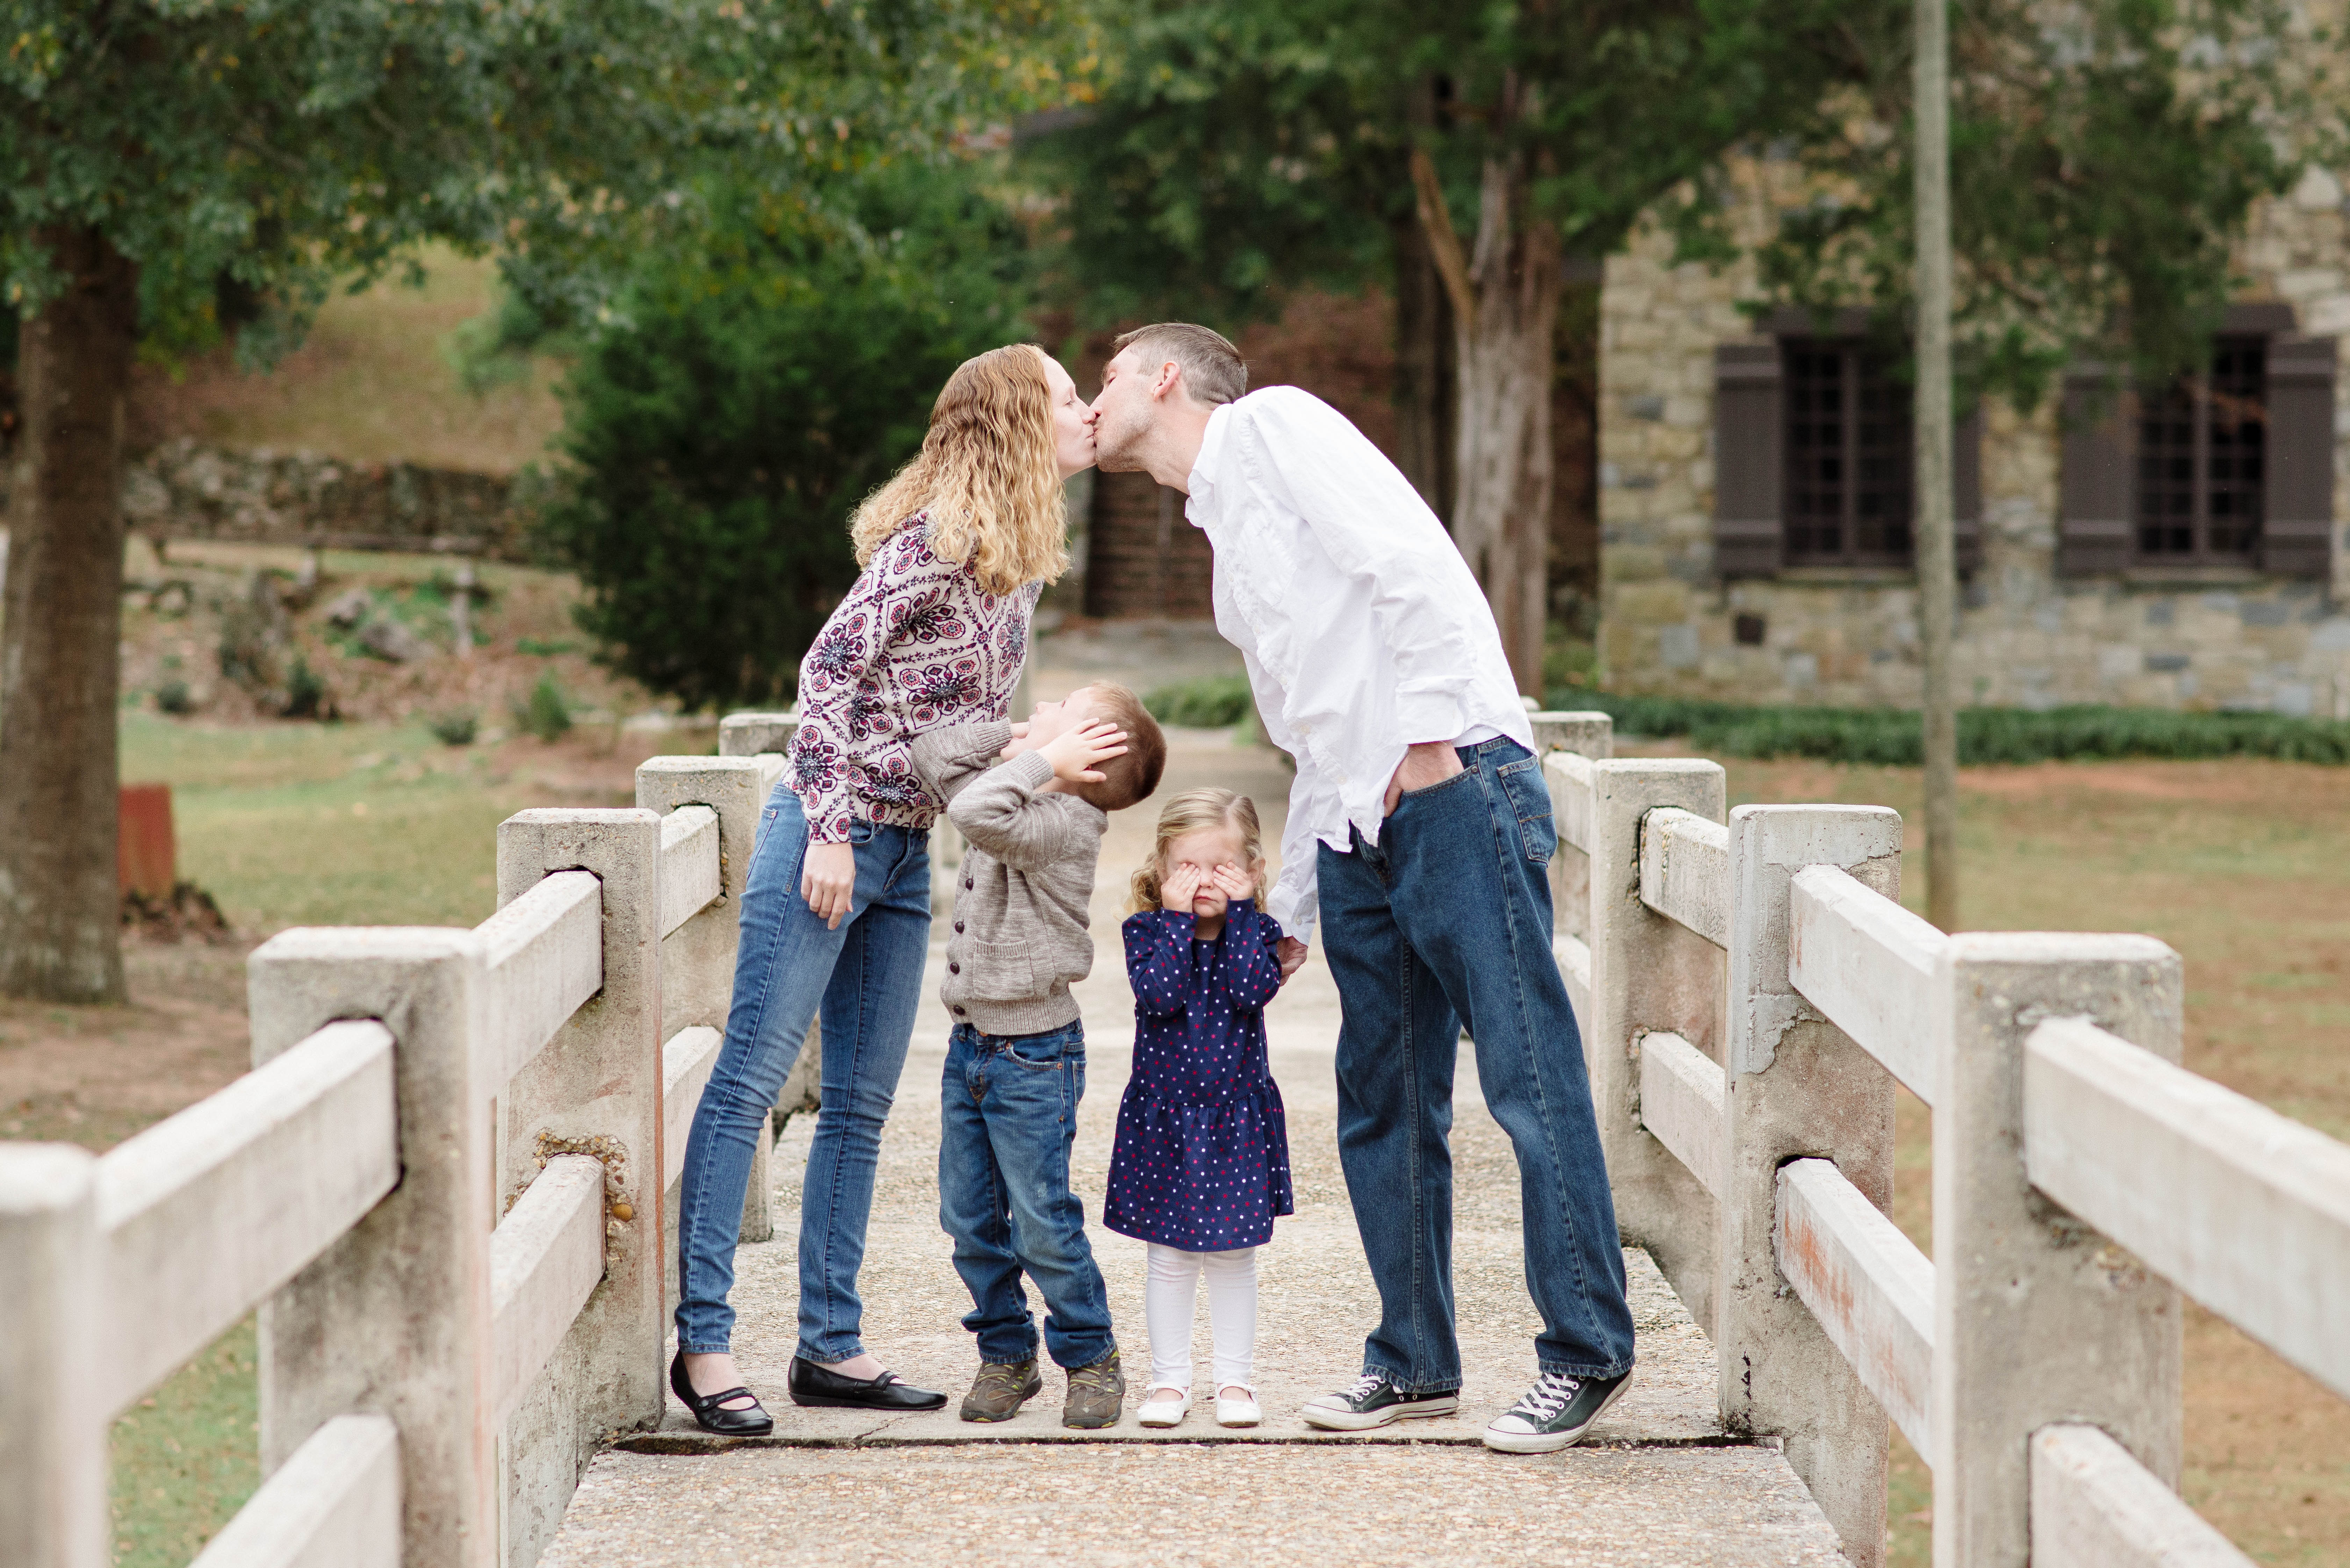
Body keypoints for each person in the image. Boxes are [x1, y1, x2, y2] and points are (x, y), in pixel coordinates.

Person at [1087, 323, 1639, 1455]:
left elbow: (1412, 565)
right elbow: (1310, 733)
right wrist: (1291, 903)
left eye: (1105, 380)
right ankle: (1415, 1358)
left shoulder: (1277, 425)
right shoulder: (1220, 529)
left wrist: (1430, 740)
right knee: (1383, 1101)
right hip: (1355, 830)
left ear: (1163, 378)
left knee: (1529, 1075)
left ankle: (1585, 1349)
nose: (1094, 404)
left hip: (1451, 787)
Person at [669, 343, 1095, 1434]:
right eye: (1064, 396)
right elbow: (824, 676)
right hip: (832, 837)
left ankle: (830, 1343)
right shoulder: (931, 548)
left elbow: (950, 723)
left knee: (860, 1106)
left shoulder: (1018, 561)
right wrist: (822, 830)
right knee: (752, 1080)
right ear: (1011, 420)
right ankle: (706, 1345)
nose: (1084, 409)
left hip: (907, 855)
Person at [907, 683, 1168, 1429]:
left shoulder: (1065, 821)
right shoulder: (1020, 789)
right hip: (971, 1048)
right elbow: (933, 755)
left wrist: (1044, 759)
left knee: (1041, 1219)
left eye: (1061, 704)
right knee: (969, 1218)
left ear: (1084, 758)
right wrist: (1028, 736)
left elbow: (972, 812)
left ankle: (1090, 1356)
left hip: (1033, 1055)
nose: (1042, 700)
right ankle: (1006, 1352)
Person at [1106, 788, 1292, 1431]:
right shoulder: (1147, 932)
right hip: (1166, 1119)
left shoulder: (1258, 935)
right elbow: (1160, 995)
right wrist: (1181, 920)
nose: (1205, 880)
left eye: (1222, 867)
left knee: (1235, 1255)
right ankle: (1168, 1380)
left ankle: (1235, 1381)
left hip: (1234, 1119)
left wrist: (1241, 915)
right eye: (1188, 867)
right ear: (1162, 871)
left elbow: (1248, 991)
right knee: (1170, 1256)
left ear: (1251, 870)